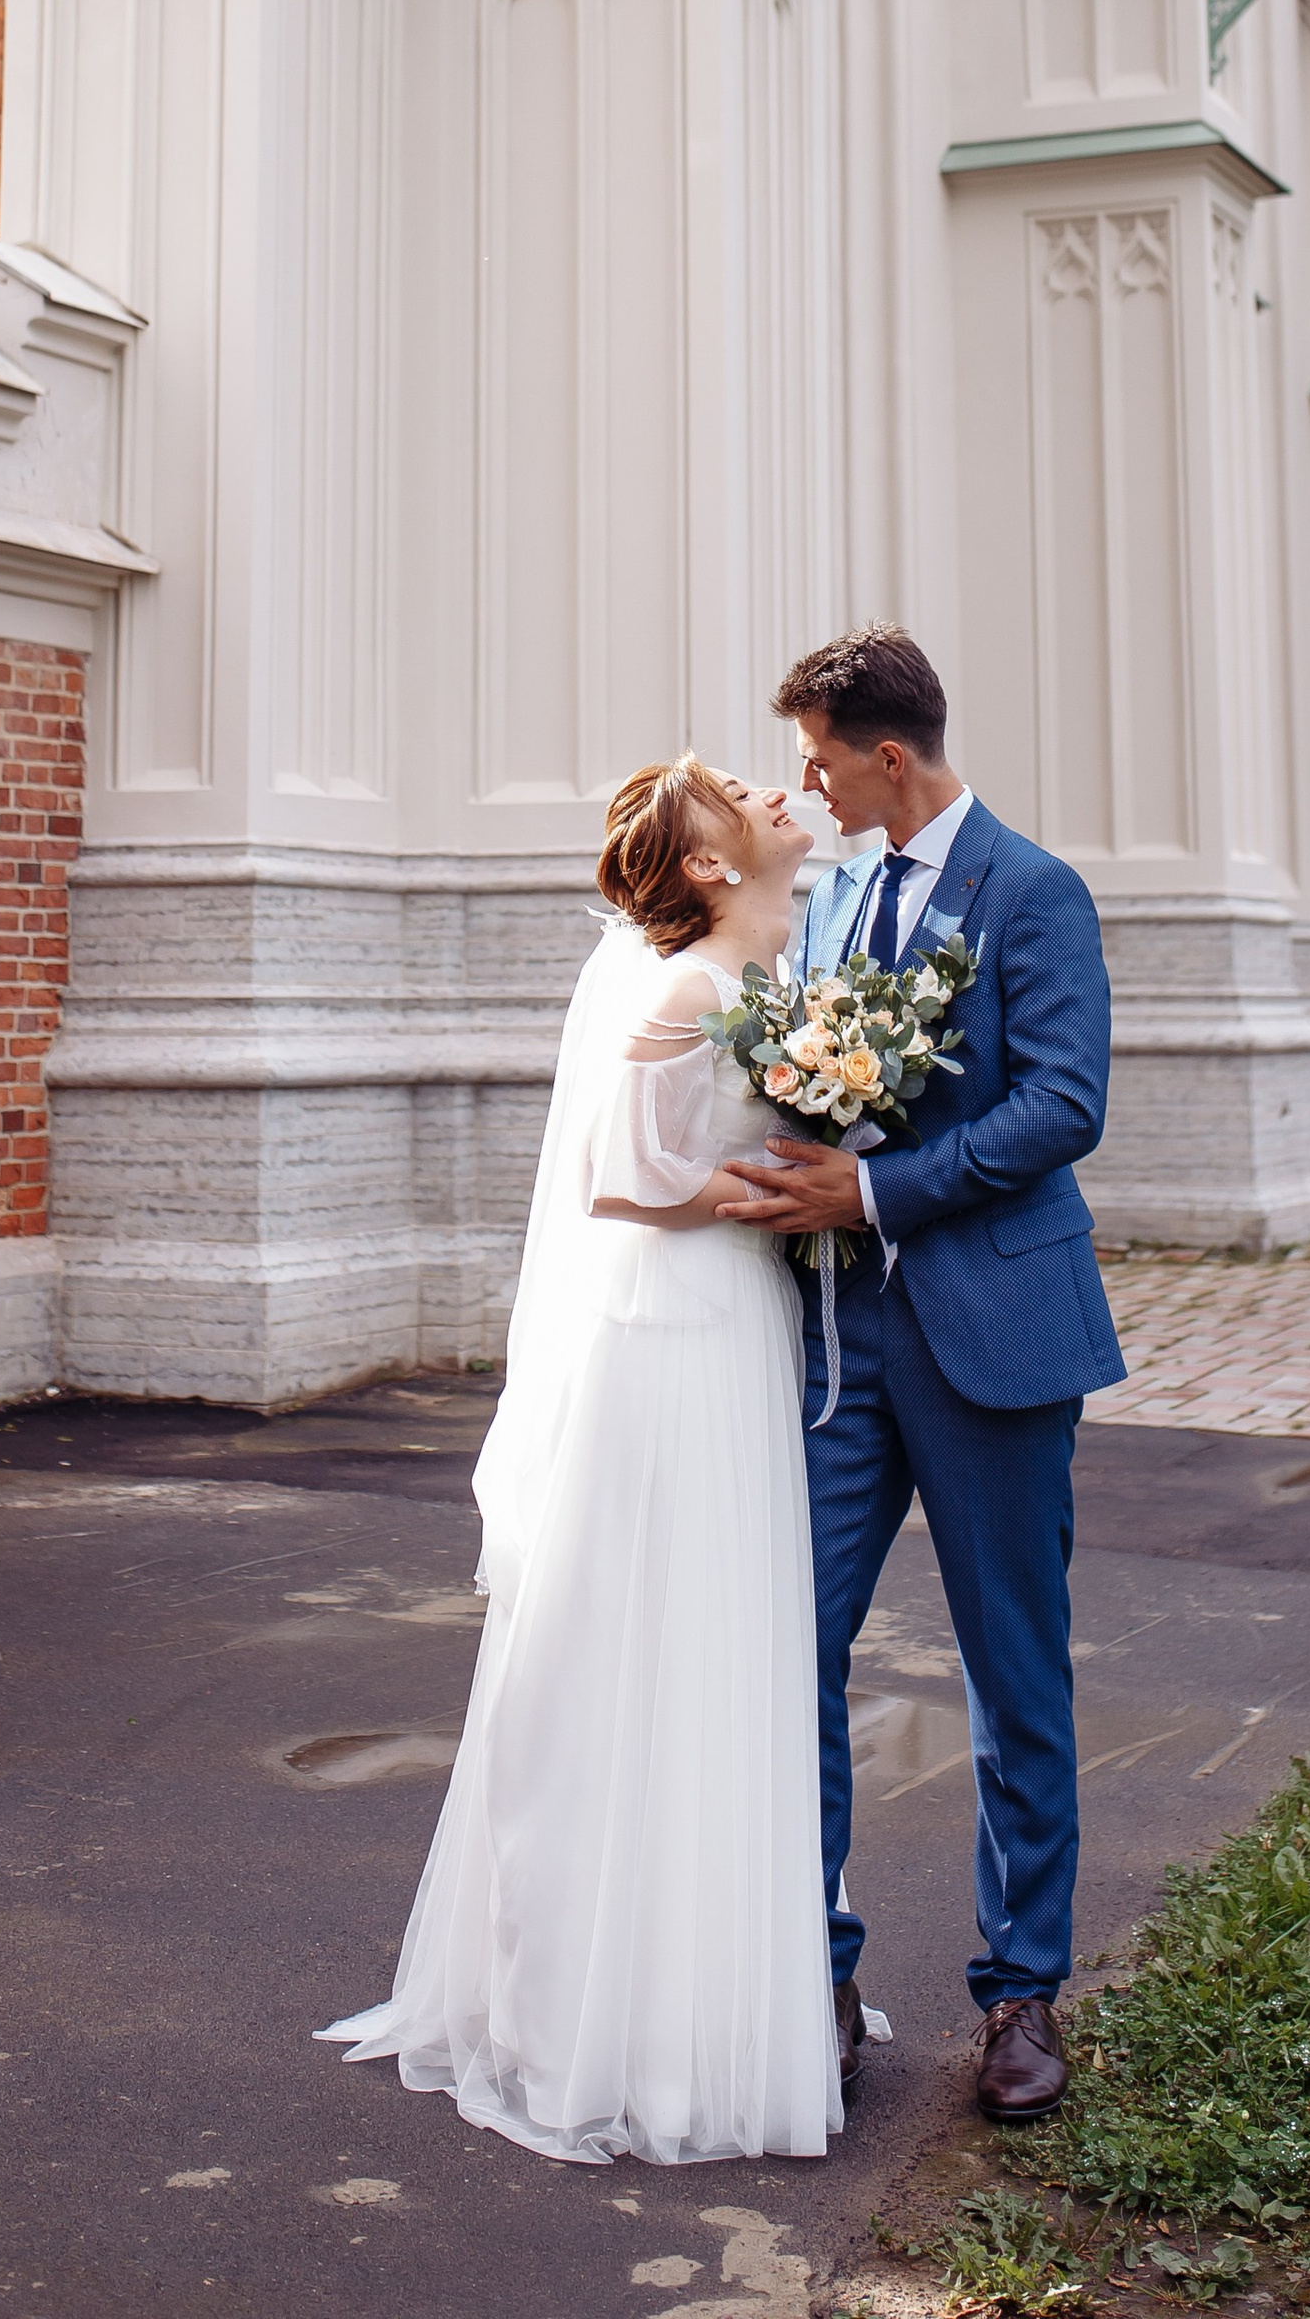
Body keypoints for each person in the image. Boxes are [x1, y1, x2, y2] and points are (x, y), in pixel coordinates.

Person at [320, 756, 843, 2167]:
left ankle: (690, 2005)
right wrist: (801, 1193)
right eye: (740, 790)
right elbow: (626, 1183)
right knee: (639, 1651)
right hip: (669, 1340)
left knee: (708, 1655)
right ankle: (585, 2013)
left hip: (726, 1326)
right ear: (715, 868)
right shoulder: (683, 994)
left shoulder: (754, 984)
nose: (765, 787)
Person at [715, 627, 1124, 2125]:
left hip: (991, 1341)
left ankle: (1021, 1996)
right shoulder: (821, 906)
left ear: (891, 754)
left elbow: (1062, 1106)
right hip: (832, 1348)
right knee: (788, 1658)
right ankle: (816, 1971)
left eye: (819, 755)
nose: (805, 782)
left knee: (1013, 1672)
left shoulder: (1034, 891)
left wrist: (876, 1197)